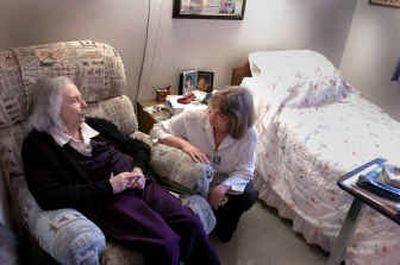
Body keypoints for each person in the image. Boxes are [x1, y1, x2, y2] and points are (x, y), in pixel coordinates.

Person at [21, 76, 220, 265]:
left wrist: (139, 169)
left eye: (82, 98)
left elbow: (138, 146)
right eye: (75, 101)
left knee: (189, 222)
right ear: (52, 109)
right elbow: (48, 196)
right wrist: (109, 187)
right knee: (166, 243)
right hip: (109, 202)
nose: (84, 105)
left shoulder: (96, 125)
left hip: (141, 184)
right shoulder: (38, 146)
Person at [151, 87, 258, 242]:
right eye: (212, 108)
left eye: (219, 114)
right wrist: (184, 144)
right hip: (197, 172)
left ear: (235, 119)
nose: (211, 115)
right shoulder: (193, 116)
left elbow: (245, 170)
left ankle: (224, 217)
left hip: (224, 177)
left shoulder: (249, 135)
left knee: (249, 196)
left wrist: (223, 187)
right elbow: (157, 130)